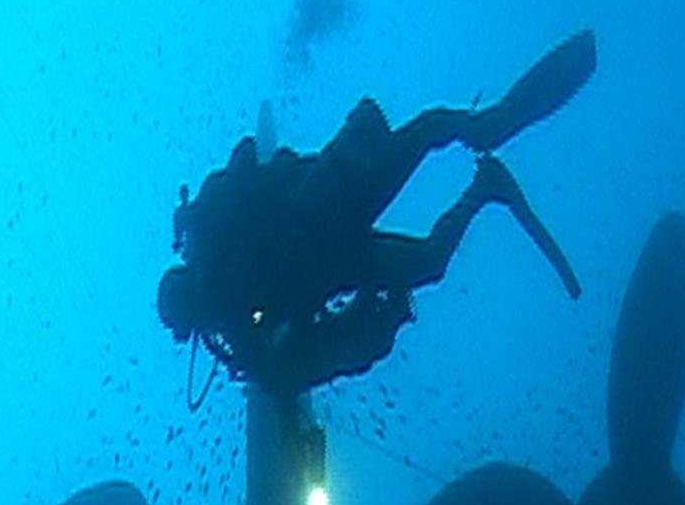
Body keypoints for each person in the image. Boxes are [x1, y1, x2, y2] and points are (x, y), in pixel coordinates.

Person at [158, 30, 597, 394]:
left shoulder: (233, 315)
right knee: (428, 148)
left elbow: (315, 359)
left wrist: (374, 322)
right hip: (333, 212)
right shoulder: (232, 309)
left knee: (428, 248)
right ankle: (487, 159)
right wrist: (373, 323)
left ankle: (486, 167)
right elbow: (316, 356)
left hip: (331, 215)